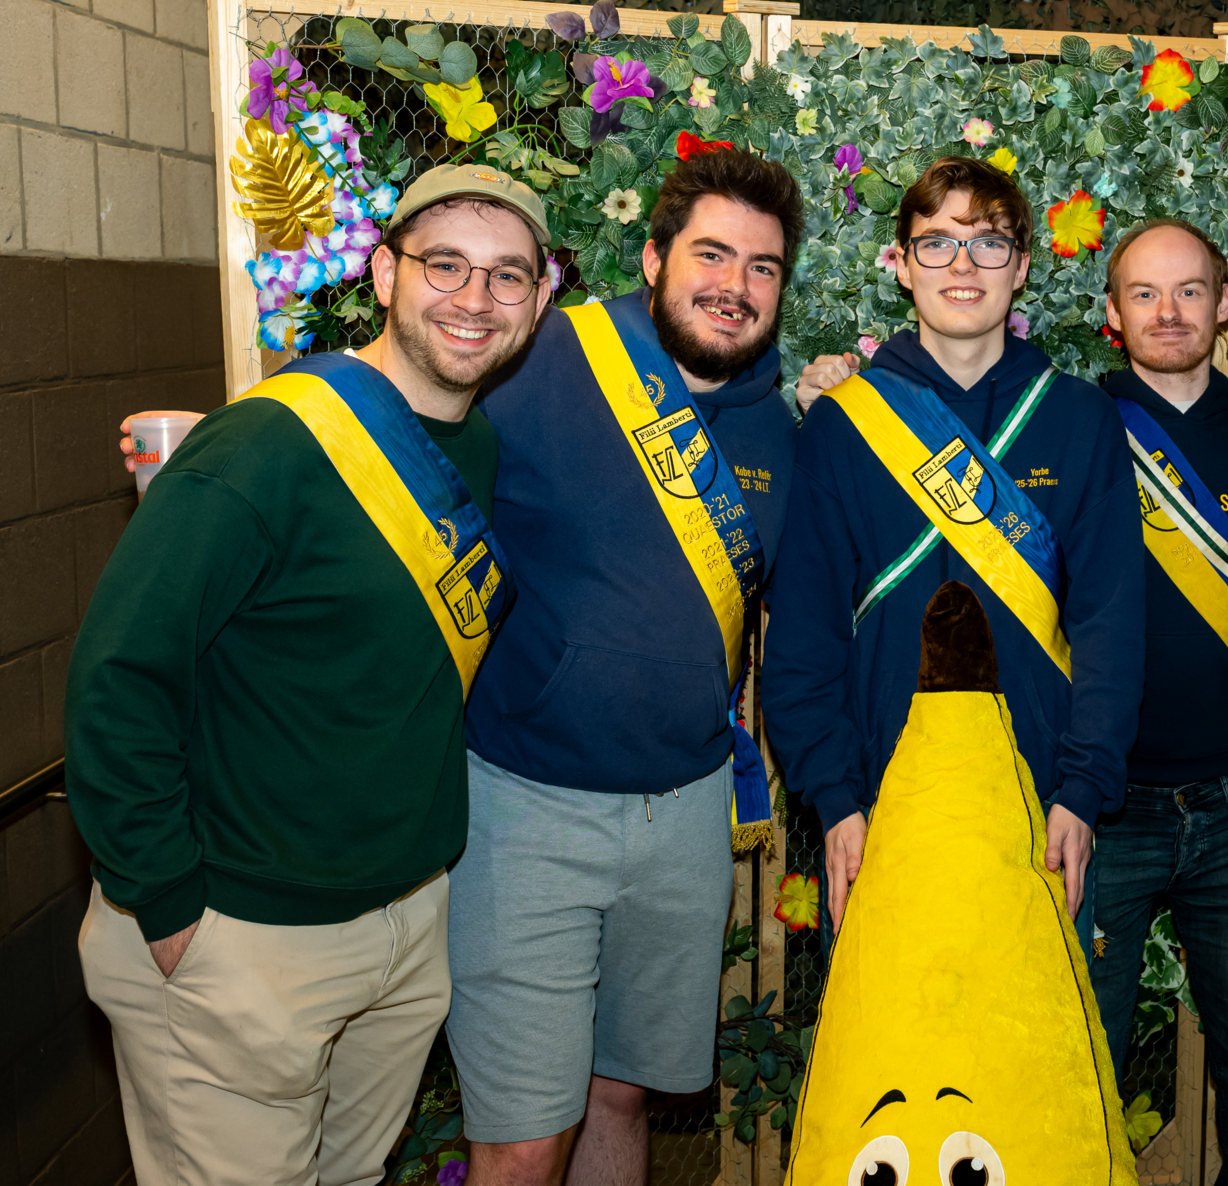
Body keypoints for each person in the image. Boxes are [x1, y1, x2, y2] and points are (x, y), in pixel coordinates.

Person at [70, 165, 554, 1186]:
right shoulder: (262, 445)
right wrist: (170, 907)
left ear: (540, 297)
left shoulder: (474, 447)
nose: (475, 298)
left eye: (507, 275)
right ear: (382, 273)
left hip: (403, 921)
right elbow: (120, 678)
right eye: (445, 264)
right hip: (241, 934)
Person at [448, 148, 803, 1186]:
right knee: (522, 1132)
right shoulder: (542, 359)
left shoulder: (781, 432)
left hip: (684, 814)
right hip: (524, 805)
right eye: (711, 254)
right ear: (653, 259)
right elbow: (408, 447)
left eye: (763, 267)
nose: (735, 285)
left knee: (622, 1094)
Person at [768, 155, 1143, 936]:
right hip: (881, 806)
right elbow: (806, 631)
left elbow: (1111, 627)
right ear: (903, 265)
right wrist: (836, 799)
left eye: (989, 244)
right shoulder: (845, 423)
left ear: (1022, 267)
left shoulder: (1080, 420)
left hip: (1042, 809)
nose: (963, 266)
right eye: (937, 243)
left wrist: (1082, 792)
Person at [1085, 220, 1228, 1181]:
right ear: (1113, 312)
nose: (1168, 312)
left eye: (1189, 291)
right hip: (1103, 809)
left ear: (1224, 306)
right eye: (1144, 293)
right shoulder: (1073, 427)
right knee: (1084, 1055)